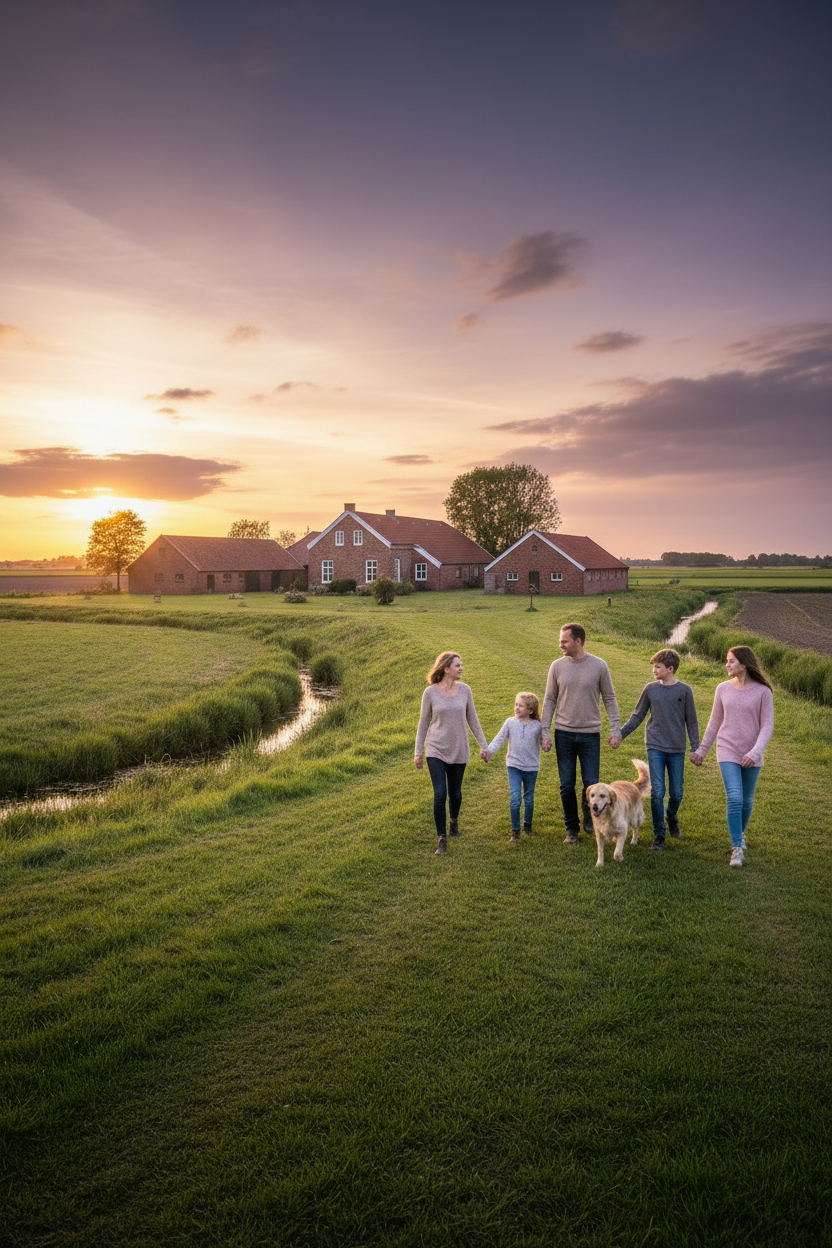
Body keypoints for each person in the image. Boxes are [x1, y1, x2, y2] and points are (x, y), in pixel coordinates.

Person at [690, 646, 774, 868]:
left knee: (747, 801)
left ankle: (741, 832)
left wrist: (755, 753)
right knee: (735, 798)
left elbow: (767, 726)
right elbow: (714, 722)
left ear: (744, 664)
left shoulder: (763, 692)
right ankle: (737, 848)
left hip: (752, 753)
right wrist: (701, 751)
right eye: (727, 661)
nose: (727, 664)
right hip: (727, 748)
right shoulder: (722, 689)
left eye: (731, 661)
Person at [541, 623, 622, 844]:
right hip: (564, 733)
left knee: (591, 783)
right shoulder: (556, 666)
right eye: (560, 641)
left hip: (590, 735)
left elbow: (609, 698)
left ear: (578, 641)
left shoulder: (599, 666)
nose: (560, 645)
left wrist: (616, 728)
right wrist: (545, 732)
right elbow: (549, 700)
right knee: (566, 784)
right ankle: (571, 830)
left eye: (564, 641)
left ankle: (590, 817)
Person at [618, 648, 699, 851]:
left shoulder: (684, 690)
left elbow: (692, 721)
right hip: (655, 744)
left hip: (677, 747)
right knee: (657, 792)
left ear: (670, 669)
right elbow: (638, 715)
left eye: (658, 666)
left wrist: (696, 748)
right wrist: (620, 734)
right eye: (653, 666)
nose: (654, 670)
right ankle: (659, 835)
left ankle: (671, 815)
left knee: (677, 792)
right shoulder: (650, 689)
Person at [415, 651, 488, 856]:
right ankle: (442, 838)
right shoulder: (430, 693)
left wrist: (484, 746)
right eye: (458, 665)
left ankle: (453, 821)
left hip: (459, 749)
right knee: (440, 793)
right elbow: (423, 724)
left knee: (455, 793)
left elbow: (473, 720)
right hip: (435, 749)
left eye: (461, 665)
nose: (461, 668)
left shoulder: (465, 690)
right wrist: (418, 752)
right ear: (446, 668)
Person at [481, 692, 543, 844]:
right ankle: (515, 831)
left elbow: (545, 742)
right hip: (513, 766)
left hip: (531, 767)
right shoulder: (510, 722)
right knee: (515, 798)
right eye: (516, 704)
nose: (516, 707)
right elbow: (499, 739)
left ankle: (527, 825)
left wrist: (547, 744)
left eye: (520, 706)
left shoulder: (538, 726)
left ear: (530, 710)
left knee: (528, 799)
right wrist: (489, 751)